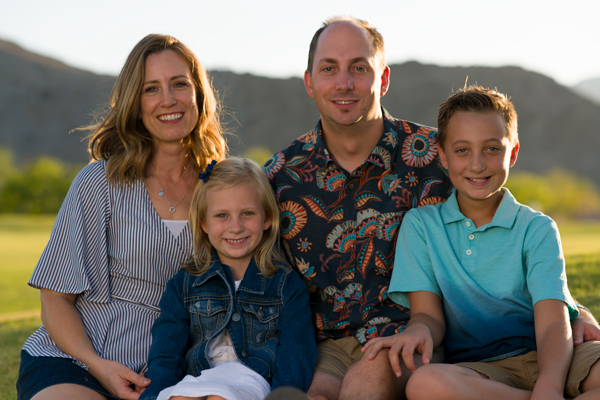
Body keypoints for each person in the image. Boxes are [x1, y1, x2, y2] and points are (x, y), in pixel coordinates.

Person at [264, 16, 600, 400]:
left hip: (407, 337)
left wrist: (573, 310)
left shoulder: (434, 155)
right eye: (329, 69)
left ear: (383, 79)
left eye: (359, 67)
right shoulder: (278, 177)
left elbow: (513, 236)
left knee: (369, 380)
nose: (344, 82)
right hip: (329, 343)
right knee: (314, 392)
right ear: (309, 81)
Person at [16, 34, 227, 400]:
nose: (168, 100)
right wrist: (99, 366)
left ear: (198, 95)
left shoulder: (223, 191)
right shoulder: (99, 181)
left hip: (171, 371)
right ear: (135, 103)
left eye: (179, 83)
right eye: (151, 89)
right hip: (78, 361)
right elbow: (55, 299)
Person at [364, 85, 600, 399]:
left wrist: (550, 383)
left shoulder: (537, 228)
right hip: (481, 371)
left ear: (512, 152)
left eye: (491, 148)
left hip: (555, 357)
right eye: (462, 150)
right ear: (443, 155)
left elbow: (551, 323)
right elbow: (428, 316)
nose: (477, 164)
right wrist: (419, 330)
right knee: (424, 384)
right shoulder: (421, 226)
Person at [139, 157, 316, 400]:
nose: (235, 227)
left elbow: (296, 356)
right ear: (203, 223)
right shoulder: (184, 284)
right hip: (197, 379)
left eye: (247, 213)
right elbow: (166, 353)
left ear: (266, 218)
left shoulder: (286, 286)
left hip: (252, 383)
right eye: (222, 215)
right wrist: (155, 395)